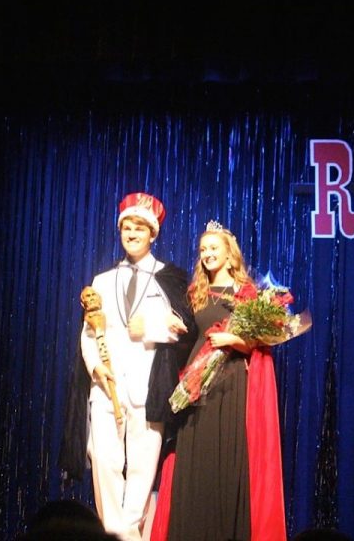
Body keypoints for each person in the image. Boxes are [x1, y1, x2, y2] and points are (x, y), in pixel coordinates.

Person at [59, 192, 196, 541]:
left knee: (141, 466)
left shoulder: (170, 279)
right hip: (107, 387)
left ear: (153, 234)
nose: (132, 233)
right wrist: (94, 368)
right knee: (102, 459)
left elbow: (186, 330)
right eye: (126, 227)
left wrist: (149, 328)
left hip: (148, 387)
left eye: (139, 228)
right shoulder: (102, 280)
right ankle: (117, 533)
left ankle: (127, 532)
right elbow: (90, 331)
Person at [153, 221, 286, 541]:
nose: (207, 254)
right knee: (195, 455)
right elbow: (186, 336)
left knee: (226, 456)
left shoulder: (248, 295)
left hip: (231, 380)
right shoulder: (195, 292)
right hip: (197, 382)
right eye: (203, 250)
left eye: (214, 248)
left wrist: (232, 339)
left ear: (230, 255)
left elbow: (257, 343)